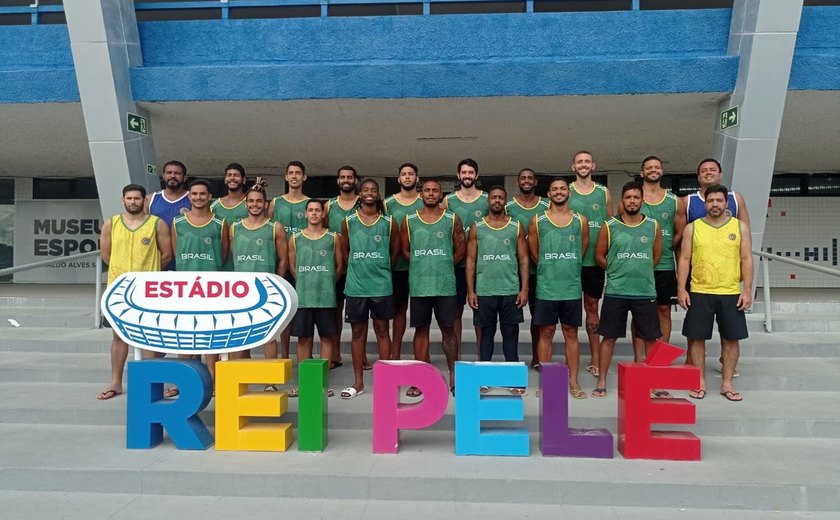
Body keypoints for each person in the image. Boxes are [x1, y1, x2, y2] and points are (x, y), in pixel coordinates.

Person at [678, 184, 752, 402]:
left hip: (730, 292)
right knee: (697, 338)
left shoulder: (740, 228)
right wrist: (682, 288)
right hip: (700, 291)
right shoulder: (693, 227)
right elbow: (684, 259)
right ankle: (699, 381)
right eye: (710, 201)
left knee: (731, 340)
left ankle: (727, 383)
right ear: (705, 204)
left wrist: (747, 290)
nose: (715, 204)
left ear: (726, 203)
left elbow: (747, 259)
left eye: (719, 200)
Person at [97, 184, 172, 400]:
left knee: (149, 338)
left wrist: (145, 275)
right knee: (119, 337)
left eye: (137, 198)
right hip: (118, 290)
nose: (133, 202)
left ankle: (151, 384)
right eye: (129, 198)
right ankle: (116, 382)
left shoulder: (157, 224)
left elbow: (166, 255)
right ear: (123, 200)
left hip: (148, 291)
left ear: (144, 200)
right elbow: (106, 255)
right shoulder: (112, 224)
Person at [592, 182, 661, 399]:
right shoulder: (609, 225)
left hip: (644, 292)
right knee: (609, 337)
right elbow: (599, 256)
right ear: (622, 201)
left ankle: (653, 383)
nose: (632, 201)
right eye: (628, 197)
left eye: (636, 197)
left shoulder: (653, 225)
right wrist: (615, 270)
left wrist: (640, 270)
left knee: (650, 339)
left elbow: (655, 257)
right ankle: (602, 380)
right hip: (616, 291)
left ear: (642, 200)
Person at [401, 179, 466, 397]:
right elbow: (405, 251)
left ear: (441, 195)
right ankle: (420, 379)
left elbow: (460, 249)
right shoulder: (409, 220)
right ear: (421, 194)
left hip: (445, 285)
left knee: (449, 330)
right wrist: (424, 265)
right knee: (421, 330)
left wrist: (443, 264)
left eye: (435, 191)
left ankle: (454, 376)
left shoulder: (452, 218)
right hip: (420, 285)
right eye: (427, 190)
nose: (430, 194)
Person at [528, 179, 589, 399]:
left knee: (571, 334)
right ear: (548, 194)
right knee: (546, 333)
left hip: (571, 287)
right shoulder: (538, 220)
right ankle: (546, 383)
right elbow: (534, 254)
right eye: (554, 189)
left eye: (563, 188)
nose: (559, 192)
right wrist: (548, 267)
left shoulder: (580, 220)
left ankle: (573, 381)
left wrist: (567, 267)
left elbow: (581, 250)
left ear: (569, 192)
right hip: (547, 287)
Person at [340, 179, 400, 399]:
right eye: (365, 190)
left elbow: (394, 253)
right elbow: (345, 252)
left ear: (378, 195)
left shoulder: (389, 222)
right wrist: (359, 268)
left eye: (373, 190)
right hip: (356, 287)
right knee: (358, 333)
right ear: (360, 194)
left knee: (383, 332)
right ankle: (358, 382)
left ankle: (385, 382)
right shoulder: (349, 221)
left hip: (381, 286)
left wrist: (380, 268)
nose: (369, 193)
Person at [466, 186, 529, 395]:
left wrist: (524, 288)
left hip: (510, 289)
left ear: (505, 201)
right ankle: (484, 379)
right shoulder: (477, 227)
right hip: (484, 290)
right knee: (486, 335)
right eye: (493, 197)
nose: (497, 200)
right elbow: (471, 260)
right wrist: (471, 290)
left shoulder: (516, 226)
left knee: (511, 334)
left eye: (501, 197)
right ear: (488, 201)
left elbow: (523, 260)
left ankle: (514, 380)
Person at [624, 156, 686, 357]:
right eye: (648, 167)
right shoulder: (632, 199)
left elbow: (680, 233)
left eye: (657, 167)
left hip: (664, 266)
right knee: (639, 313)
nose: (653, 170)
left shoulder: (674, 201)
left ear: (662, 171)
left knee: (664, 311)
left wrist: (664, 245)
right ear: (642, 172)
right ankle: (639, 358)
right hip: (637, 267)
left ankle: (659, 358)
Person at [171, 179, 230, 388]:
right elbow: (176, 250)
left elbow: (223, 254)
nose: (198, 198)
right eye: (194, 194)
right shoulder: (178, 222)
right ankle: (184, 381)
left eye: (202, 194)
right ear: (189, 196)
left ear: (209, 197)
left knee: (210, 335)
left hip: (211, 289)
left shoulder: (219, 223)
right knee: (186, 335)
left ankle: (213, 381)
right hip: (186, 289)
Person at [229, 177, 288, 373]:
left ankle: (270, 380)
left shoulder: (275, 227)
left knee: (269, 336)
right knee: (240, 335)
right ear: (246, 203)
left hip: (266, 290)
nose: (255, 204)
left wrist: (276, 283)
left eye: (259, 201)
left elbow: (283, 259)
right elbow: (231, 254)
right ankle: (240, 376)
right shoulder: (235, 227)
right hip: (240, 291)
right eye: (251, 201)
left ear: (265, 204)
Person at [289, 198, 345, 398]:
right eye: (310, 210)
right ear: (305, 214)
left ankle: (322, 384)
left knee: (326, 339)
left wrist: (326, 282)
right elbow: (293, 267)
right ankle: (305, 384)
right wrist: (306, 282)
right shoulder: (295, 238)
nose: (313, 213)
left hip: (326, 297)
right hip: (304, 298)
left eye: (317, 210)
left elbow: (339, 267)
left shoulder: (333, 237)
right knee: (304, 340)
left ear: (323, 214)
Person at [568, 151, 613, 380]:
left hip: (594, 262)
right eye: (579, 162)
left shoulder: (603, 192)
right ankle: (572, 357)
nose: (583, 165)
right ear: (573, 166)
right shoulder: (566, 191)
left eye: (587, 161)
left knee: (592, 308)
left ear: (593, 165)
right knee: (570, 311)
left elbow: (611, 226)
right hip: (570, 262)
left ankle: (595, 358)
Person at [443, 158, 488, 358]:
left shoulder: (487, 199)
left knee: (481, 314)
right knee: (455, 313)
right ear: (458, 175)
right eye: (464, 172)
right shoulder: (448, 201)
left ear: (476, 176)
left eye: (471, 172)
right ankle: (457, 357)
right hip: (457, 266)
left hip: (482, 265)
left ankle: (481, 356)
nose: (467, 176)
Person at [505, 168, 549, 369]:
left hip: (541, 271)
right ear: (517, 181)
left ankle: (537, 357)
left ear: (536, 181)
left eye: (530, 178)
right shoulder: (509, 207)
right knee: (512, 320)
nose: (527, 181)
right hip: (515, 272)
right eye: (523, 178)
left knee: (538, 318)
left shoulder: (546, 206)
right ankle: (512, 359)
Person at [269, 161, 310, 359]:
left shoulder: (310, 204)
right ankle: (285, 354)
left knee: (305, 311)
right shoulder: (276, 203)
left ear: (304, 177)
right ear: (285, 177)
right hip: (281, 265)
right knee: (284, 311)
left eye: (298, 173)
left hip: (306, 266)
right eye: (291, 173)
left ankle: (307, 355)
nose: (294, 176)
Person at [384, 162, 424, 360]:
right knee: (399, 310)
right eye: (404, 174)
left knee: (423, 312)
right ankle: (395, 353)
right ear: (399, 179)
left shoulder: (425, 201)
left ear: (417, 178)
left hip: (422, 267)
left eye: (411, 174)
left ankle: (423, 355)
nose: (407, 177)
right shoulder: (388, 203)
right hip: (397, 267)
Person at [324, 165, 362, 370]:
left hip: (360, 267)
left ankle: (361, 356)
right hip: (336, 267)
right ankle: (336, 354)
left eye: (350, 177)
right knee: (335, 312)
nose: (346, 180)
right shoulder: (329, 206)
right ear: (338, 181)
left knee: (361, 318)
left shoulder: (363, 203)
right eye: (342, 177)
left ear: (355, 180)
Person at [145, 160, 190, 270]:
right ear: (163, 176)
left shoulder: (193, 199)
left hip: (186, 260)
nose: (173, 176)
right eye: (169, 173)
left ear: (185, 177)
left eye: (177, 173)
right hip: (158, 260)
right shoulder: (150, 199)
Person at [212, 162, 249, 271]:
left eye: (236, 175)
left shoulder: (250, 204)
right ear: (225, 179)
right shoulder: (215, 206)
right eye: (229, 175)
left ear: (243, 179)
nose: (232, 178)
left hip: (244, 258)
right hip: (221, 261)